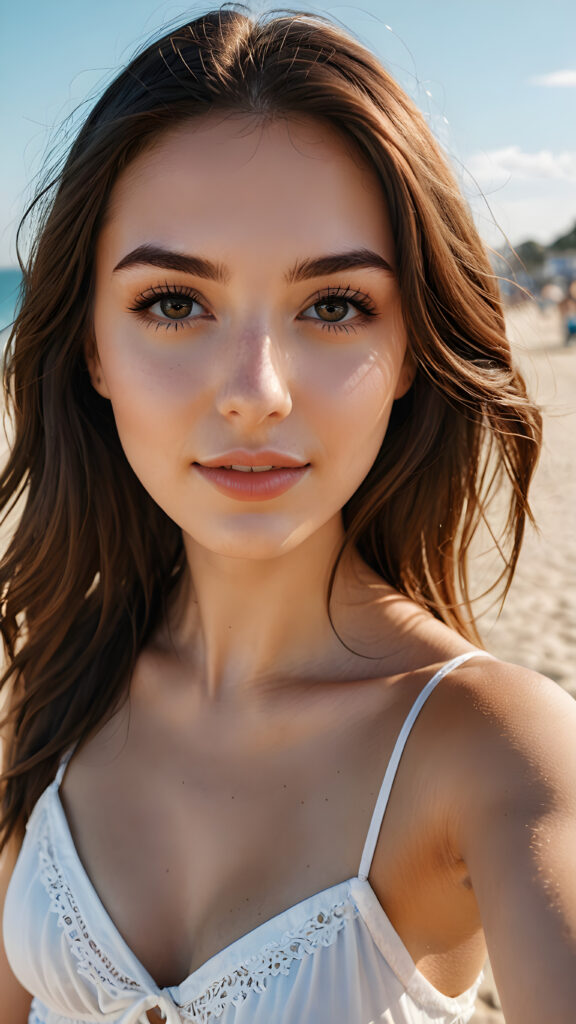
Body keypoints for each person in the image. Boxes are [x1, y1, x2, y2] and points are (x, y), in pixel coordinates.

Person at [0, 7, 575, 1024]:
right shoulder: (49, 699)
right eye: (174, 301)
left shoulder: (494, 752)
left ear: (408, 352)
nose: (255, 390)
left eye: (334, 304)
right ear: (91, 347)